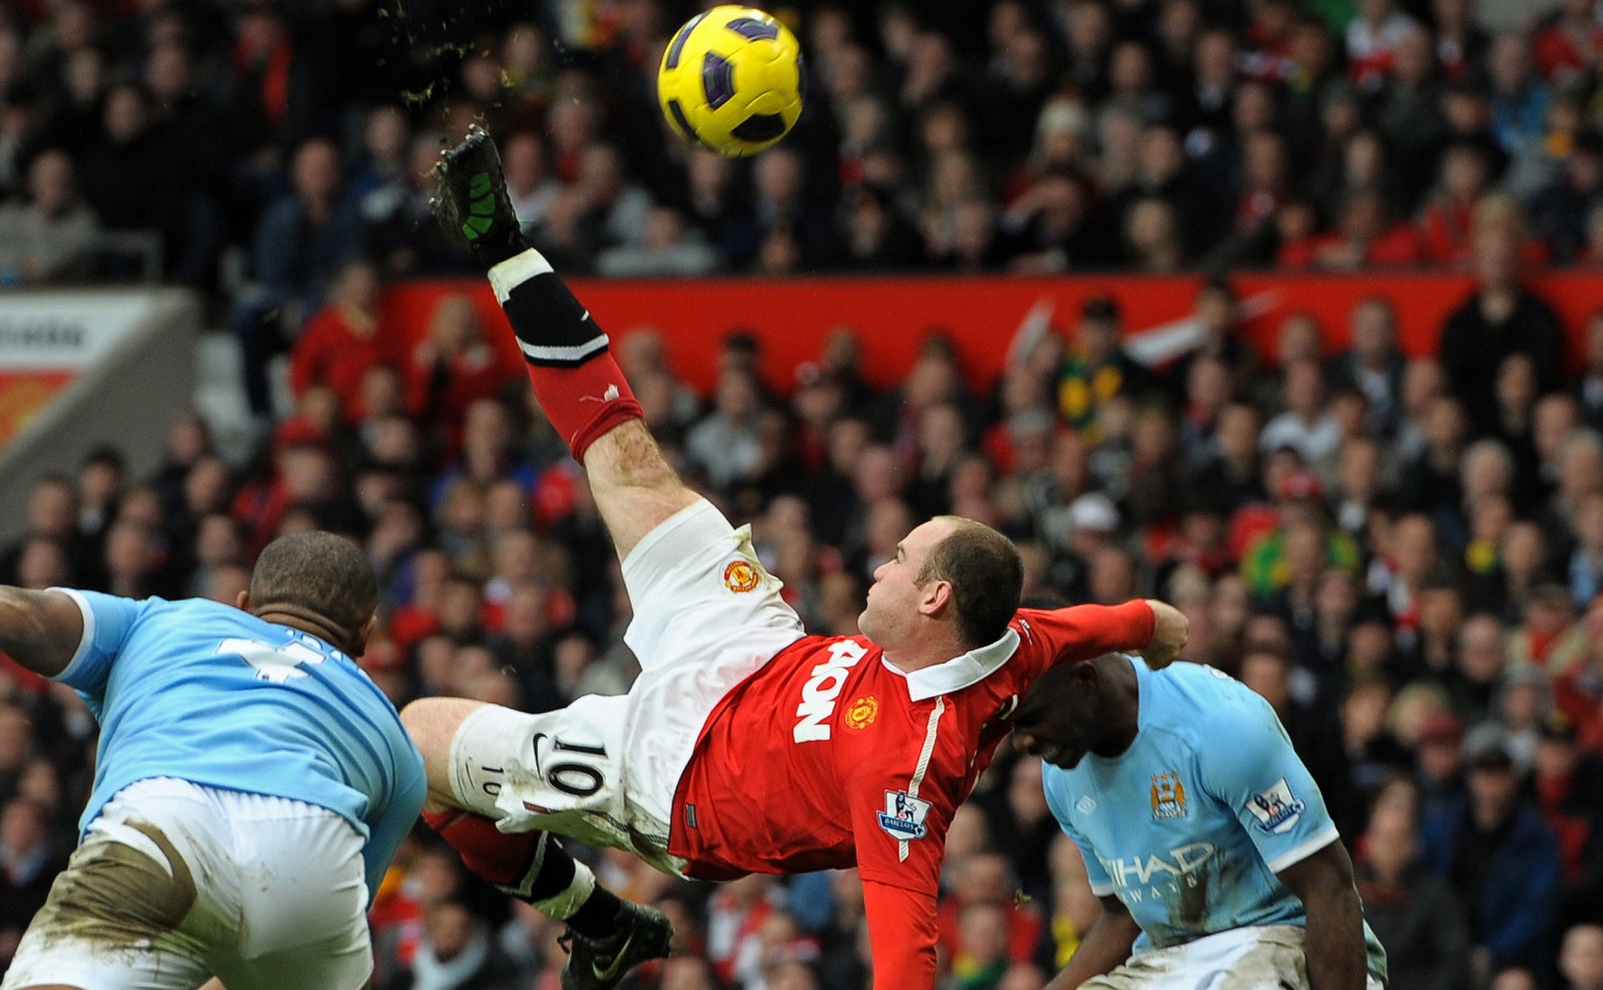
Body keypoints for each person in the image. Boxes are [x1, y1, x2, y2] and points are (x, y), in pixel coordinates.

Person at [403, 126, 1191, 990]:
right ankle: (505, 249)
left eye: (899, 559)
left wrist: (1147, 631)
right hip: (757, 647)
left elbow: (904, 961)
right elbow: (1101, 625)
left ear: (933, 601)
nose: (878, 566)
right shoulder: (1009, 639)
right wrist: (1154, 623)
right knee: (630, 462)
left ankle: (598, 921)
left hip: (678, 779)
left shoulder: (905, 777)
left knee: (414, 744)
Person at [0, 529, 424, 990]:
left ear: (245, 607)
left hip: (169, 819)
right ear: (364, 635)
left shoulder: (162, 621)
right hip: (313, 861)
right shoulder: (393, 736)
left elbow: (23, 613)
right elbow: (353, 893)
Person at [1007, 653, 1387, 989]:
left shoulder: (1220, 727)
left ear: (1085, 681)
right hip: (1170, 962)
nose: (1022, 743)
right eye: (1013, 726)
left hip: (1285, 939)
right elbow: (1123, 914)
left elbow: (1328, 887)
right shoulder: (1061, 775)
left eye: (1032, 718)